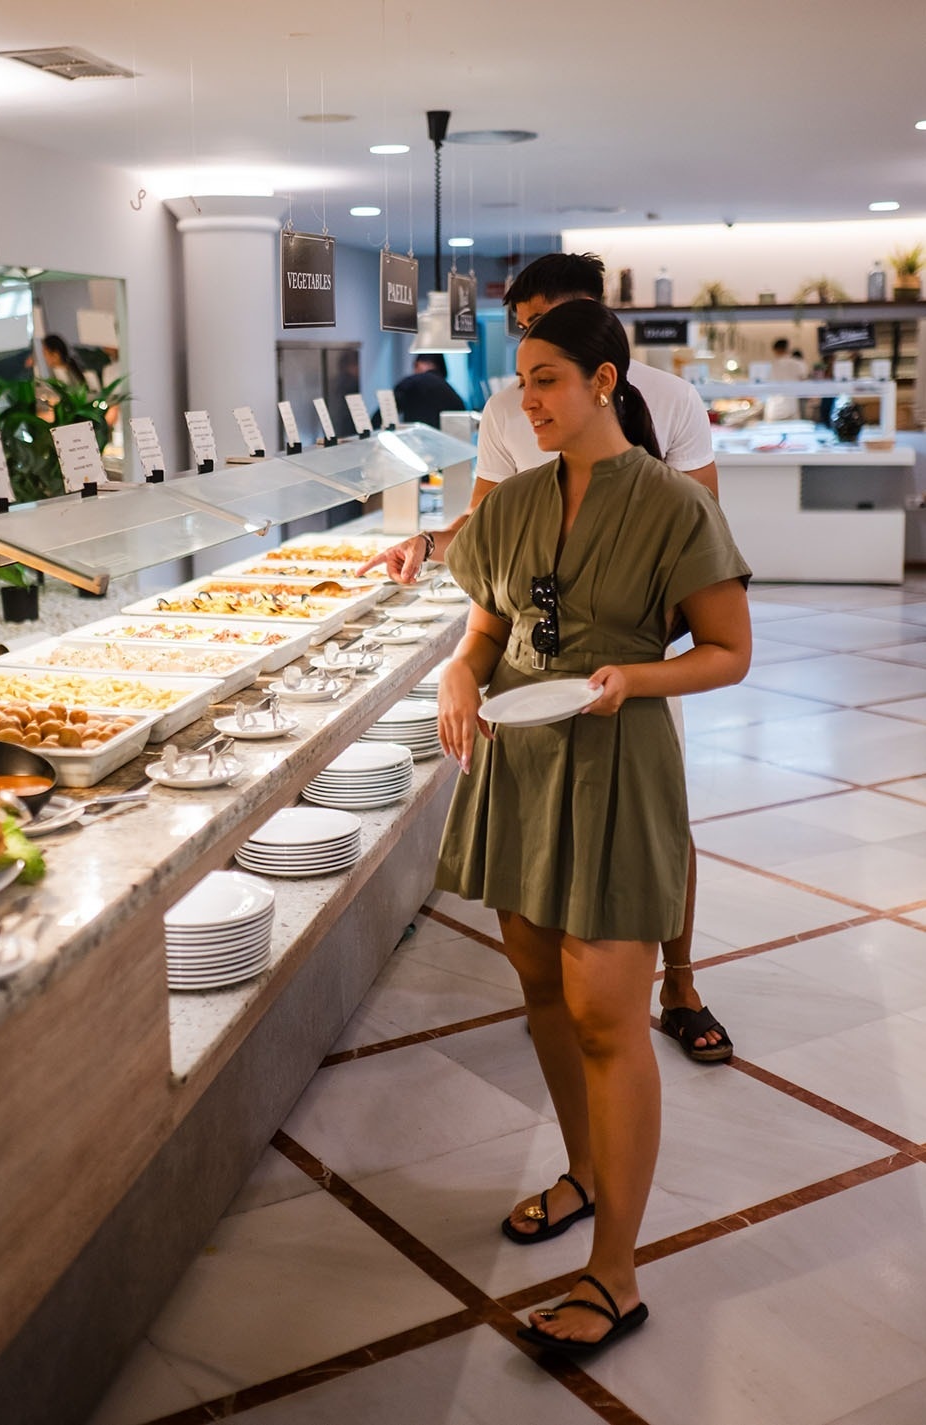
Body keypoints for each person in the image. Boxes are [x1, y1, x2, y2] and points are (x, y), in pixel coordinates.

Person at [436, 300, 751, 1355]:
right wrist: (457, 671)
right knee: (537, 982)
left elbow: (728, 650)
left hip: (616, 762)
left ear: (604, 382)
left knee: (610, 1012)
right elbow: (486, 629)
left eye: (546, 381)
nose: (527, 401)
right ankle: (580, 1171)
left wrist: (633, 677)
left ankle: (614, 1272)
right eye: (522, 383)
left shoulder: (673, 508)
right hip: (522, 765)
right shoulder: (515, 502)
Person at [359, 252, 732, 1062]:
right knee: (546, 821)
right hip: (532, 651)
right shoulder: (507, 410)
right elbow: (485, 526)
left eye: (544, 325)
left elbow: (702, 522)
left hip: (631, 643)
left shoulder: (669, 399)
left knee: (653, 823)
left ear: (595, 326)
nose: (530, 351)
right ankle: (576, 979)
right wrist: (428, 545)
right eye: (522, 331)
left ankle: (679, 981)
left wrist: (637, 654)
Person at [391, 352, 465, 428]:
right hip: (444, 439)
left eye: (415, 365)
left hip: (415, 437)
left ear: (425, 363)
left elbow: (386, 412)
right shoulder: (452, 394)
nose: (414, 370)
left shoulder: (410, 383)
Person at [765, 338, 808, 420]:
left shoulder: (771, 366)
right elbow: (804, 381)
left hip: (774, 409)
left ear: (776, 350)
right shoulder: (797, 364)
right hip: (791, 408)